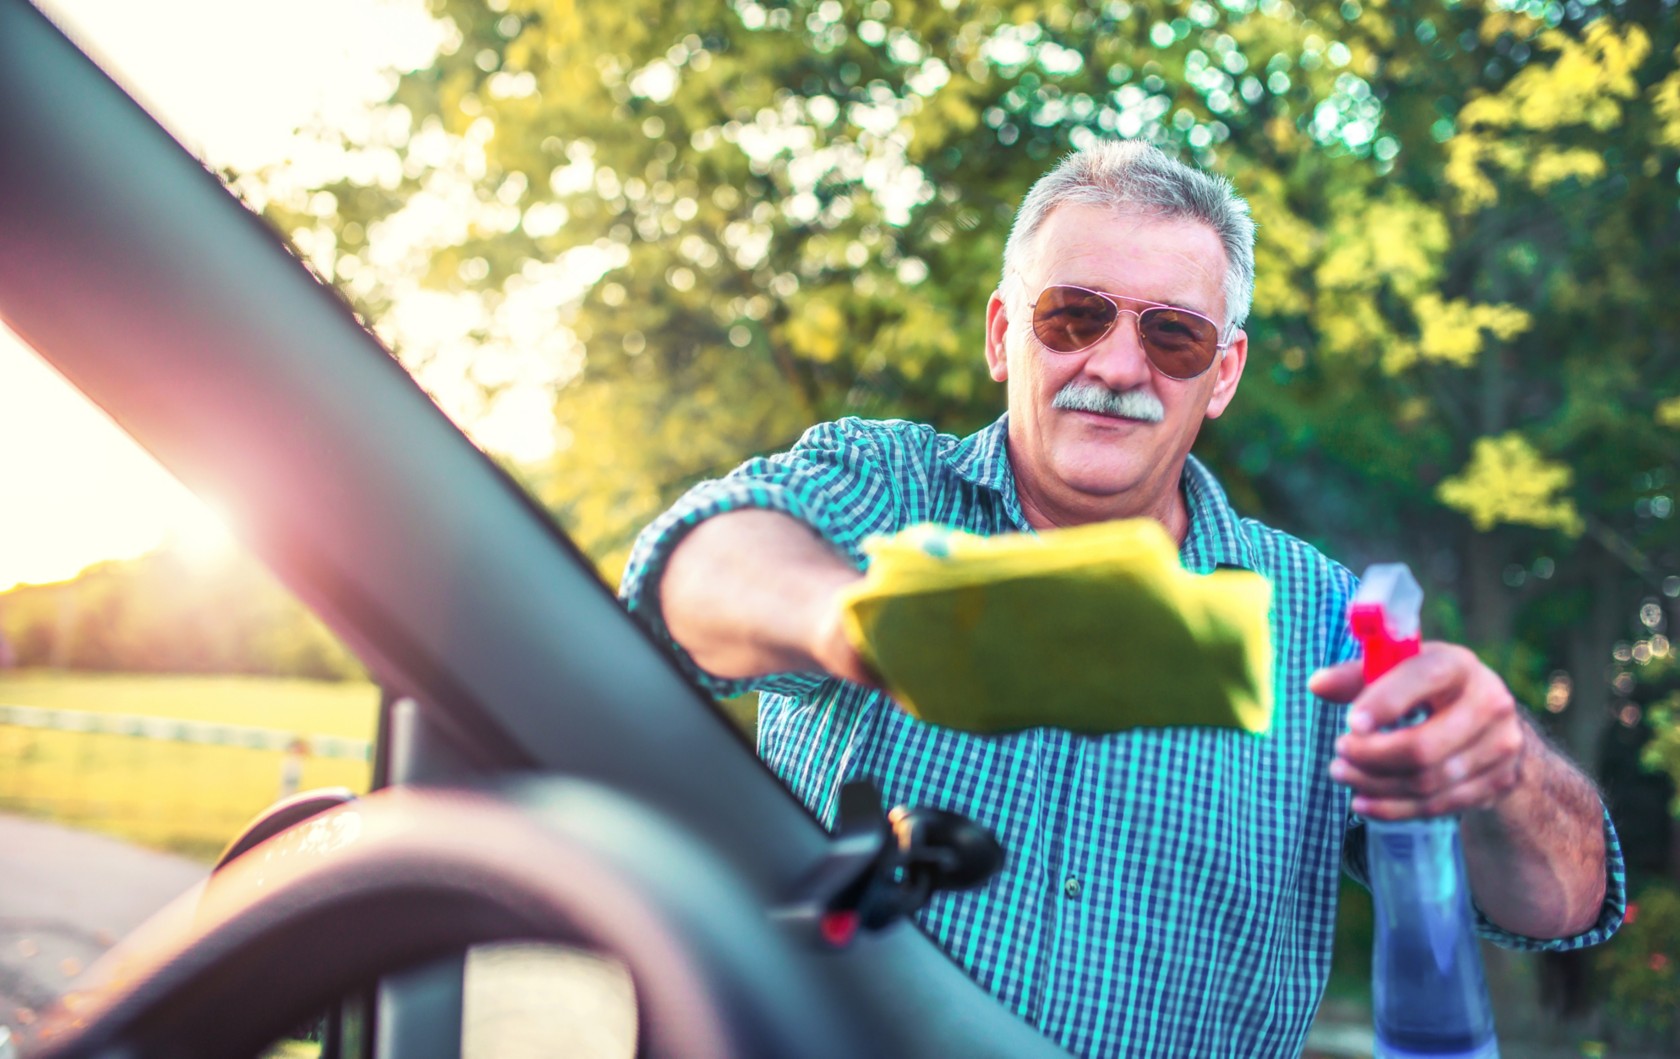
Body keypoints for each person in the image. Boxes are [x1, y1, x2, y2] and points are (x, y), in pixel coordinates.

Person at [619, 140, 1625, 1057]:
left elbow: (1565, 903)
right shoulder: (881, 486)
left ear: (1221, 376)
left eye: (1175, 336)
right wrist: (868, 623)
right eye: (1074, 315)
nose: (1115, 365)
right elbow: (687, 578)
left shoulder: (1324, 616)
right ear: (1005, 333)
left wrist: (1505, 769)